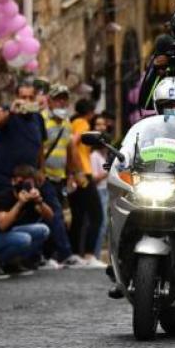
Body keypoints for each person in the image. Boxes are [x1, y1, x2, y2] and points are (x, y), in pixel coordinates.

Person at [0, 165, 53, 280]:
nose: (24, 187)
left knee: (43, 230)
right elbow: (2, 225)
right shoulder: (3, 196)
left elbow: (50, 217)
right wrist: (19, 203)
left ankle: (12, 262)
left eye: (29, 184)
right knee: (24, 238)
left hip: (6, 234)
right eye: (22, 182)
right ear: (13, 181)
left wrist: (40, 201)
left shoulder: (29, 196)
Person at [40, 84, 86, 268]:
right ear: (49, 101)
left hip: (59, 177)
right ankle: (66, 254)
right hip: (45, 177)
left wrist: (74, 173)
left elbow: (69, 149)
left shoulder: (66, 122)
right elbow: (37, 148)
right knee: (56, 214)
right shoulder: (41, 120)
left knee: (52, 216)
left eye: (64, 99)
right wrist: (40, 171)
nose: (62, 102)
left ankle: (47, 256)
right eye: (58, 98)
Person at [68, 98, 106, 268]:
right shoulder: (83, 123)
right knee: (97, 215)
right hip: (84, 174)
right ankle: (90, 255)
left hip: (76, 174)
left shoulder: (73, 121)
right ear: (90, 113)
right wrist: (79, 171)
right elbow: (73, 143)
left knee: (78, 217)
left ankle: (75, 254)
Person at [90, 113, 111, 262]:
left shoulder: (104, 156)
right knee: (101, 224)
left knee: (107, 224)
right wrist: (108, 172)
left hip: (107, 190)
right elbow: (94, 178)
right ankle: (95, 255)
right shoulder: (94, 156)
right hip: (99, 191)